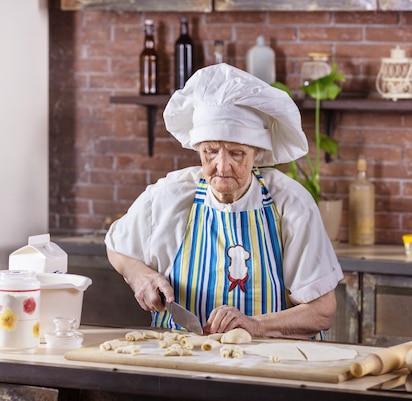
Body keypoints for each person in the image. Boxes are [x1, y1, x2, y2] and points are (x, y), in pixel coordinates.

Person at [105, 63, 343, 340]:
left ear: (257, 153)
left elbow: (322, 311)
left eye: (236, 153)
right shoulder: (170, 195)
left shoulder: (290, 203)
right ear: (198, 150)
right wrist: (139, 275)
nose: (222, 166)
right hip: (181, 358)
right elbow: (117, 247)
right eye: (210, 151)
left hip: (271, 364)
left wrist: (256, 325)